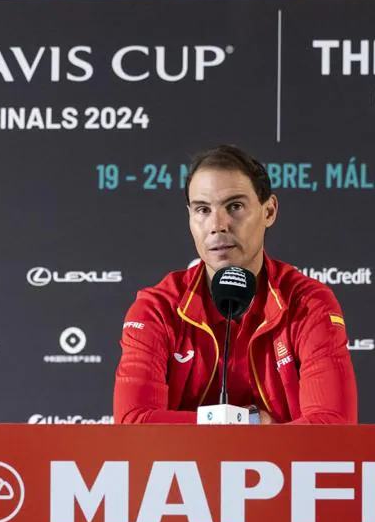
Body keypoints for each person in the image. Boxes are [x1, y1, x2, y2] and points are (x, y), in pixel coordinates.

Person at [114, 144, 358, 424]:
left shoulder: (308, 304)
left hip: (282, 468)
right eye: (203, 210)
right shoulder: (157, 308)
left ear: (269, 211)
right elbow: (133, 422)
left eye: (235, 206)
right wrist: (250, 422)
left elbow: (334, 425)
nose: (218, 225)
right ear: (190, 218)